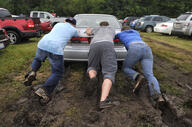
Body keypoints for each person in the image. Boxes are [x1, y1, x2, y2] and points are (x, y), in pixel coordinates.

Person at [24, 17, 78, 103]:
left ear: (65, 21)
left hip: (43, 43)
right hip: (55, 48)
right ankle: (45, 90)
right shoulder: (74, 29)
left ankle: (32, 72)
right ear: (74, 24)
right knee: (58, 72)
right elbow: (77, 35)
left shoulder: (58, 24)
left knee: (38, 59)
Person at [115, 26, 165, 107]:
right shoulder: (136, 32)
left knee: (126, 68)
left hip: (134, 48)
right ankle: (158, 96)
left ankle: (137, 76)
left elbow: (113, 38)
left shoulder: (120, 34)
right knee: (149, 74)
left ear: (122, 30)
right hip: (146, 48)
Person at [85, 21, 118, 109]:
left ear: (100, 25)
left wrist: (88, 30)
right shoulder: (112, 29)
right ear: (108, 25)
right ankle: (103, 101)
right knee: (109, 72)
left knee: (92, 66)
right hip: (108, 45)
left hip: (94, 45)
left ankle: (93, 78)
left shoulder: (96, 29)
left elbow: (88, 32)